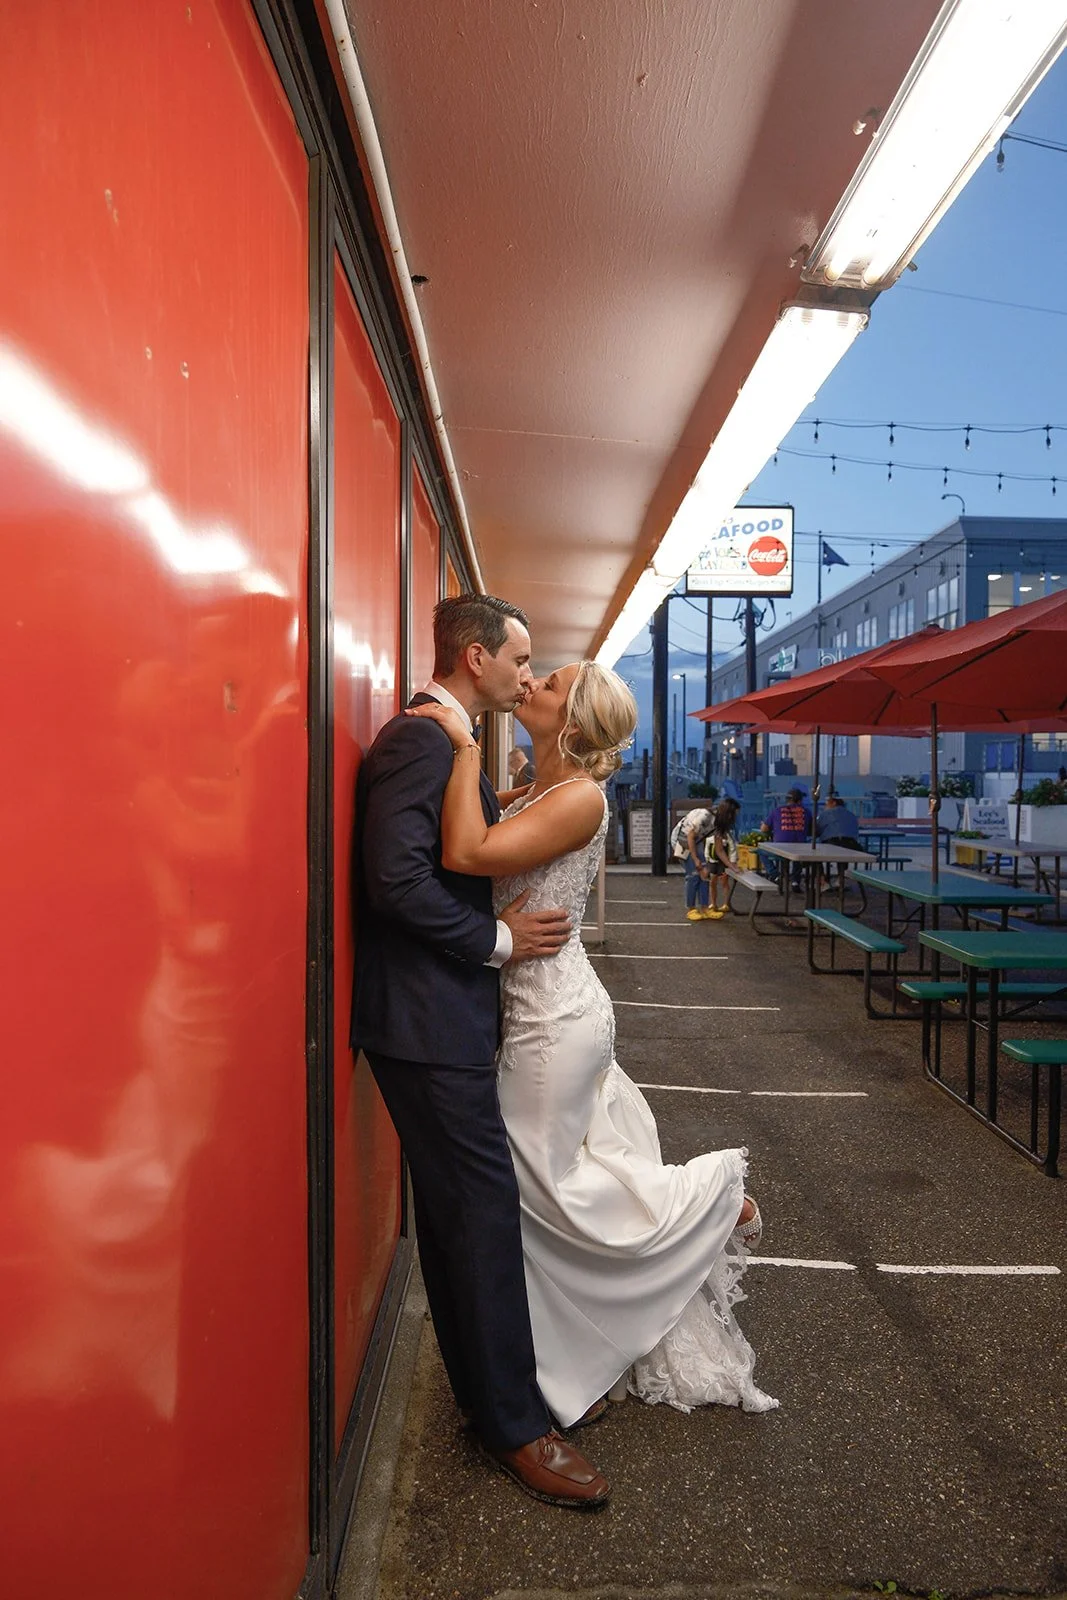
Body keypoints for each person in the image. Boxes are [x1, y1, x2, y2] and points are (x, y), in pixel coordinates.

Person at [410, 660, 777, 1432]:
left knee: (540, 1184)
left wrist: (464, 744)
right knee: (558, 1173)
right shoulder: (543, 786)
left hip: (552, 1018)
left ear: (570, 724)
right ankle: (569, 1346)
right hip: (544, 1006)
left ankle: (708, 1203)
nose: (530, 681)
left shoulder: (577, 797)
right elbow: (488, 824)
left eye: (546, 683)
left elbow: (469, 854)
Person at [351, 595, 610, 1510]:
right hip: (427, 1024)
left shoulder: (447, 738)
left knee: (478, 1217)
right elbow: (396, 882)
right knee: (479, 1218)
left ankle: (501, 1402)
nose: (525, 674)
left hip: (446, 1020)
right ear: (473, 658)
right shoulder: (424, 739)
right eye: (519, 658)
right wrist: (498, 945)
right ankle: (511, 1426)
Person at [671, 803, 716, 920]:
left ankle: (705, 907)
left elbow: (716, 845)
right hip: (683, 840)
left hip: (697, 841)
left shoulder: (717, 823)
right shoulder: (705, 817)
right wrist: (696, 859)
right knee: (693, 875)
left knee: (704, 875)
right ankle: (691, 909)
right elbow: (690, 836)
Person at [761, 785, 810, 890]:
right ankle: (795, 881)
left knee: (761, 851)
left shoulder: (777, 810)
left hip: (779, 848)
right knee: (798, 852)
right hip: (800, 849)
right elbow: (813, 830)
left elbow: (764, 829)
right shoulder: (806, 812)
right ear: (800, 800)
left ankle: (775, 874)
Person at [815, 793, 861, 893]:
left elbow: (817, 831)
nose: (825, 807)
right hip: (852, 846)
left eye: (827, 804)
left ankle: (823, 882)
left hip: (832, 843)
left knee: (813, 855)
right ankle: (840, 879)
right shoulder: (851, 814)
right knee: (843, 852)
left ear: (834, 803)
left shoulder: (826, 814)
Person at [704, 797, 740, 918]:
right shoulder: (716, 827)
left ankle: (725, 903)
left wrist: (732, 863)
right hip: (713, 860)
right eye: (734, 815)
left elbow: (729, 848)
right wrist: (707, 859)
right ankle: (712, 904)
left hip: (722, 861)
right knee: (712, 882)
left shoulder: (725, 832)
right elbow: (712, 848)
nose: (734, 818)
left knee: (724, 881)